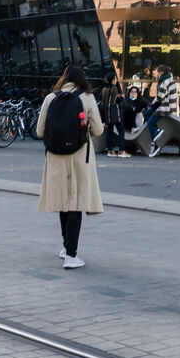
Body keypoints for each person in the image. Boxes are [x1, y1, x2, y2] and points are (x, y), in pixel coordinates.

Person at [36, 65, 104, 269]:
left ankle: (66, 247)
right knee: (75, 202)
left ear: (64, 78)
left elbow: (40, 131)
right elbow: (99, 130)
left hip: (56, 156)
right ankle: (72, 256)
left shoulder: (50, 98)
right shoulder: (87, 97)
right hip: (79, 155)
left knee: (63, 201)